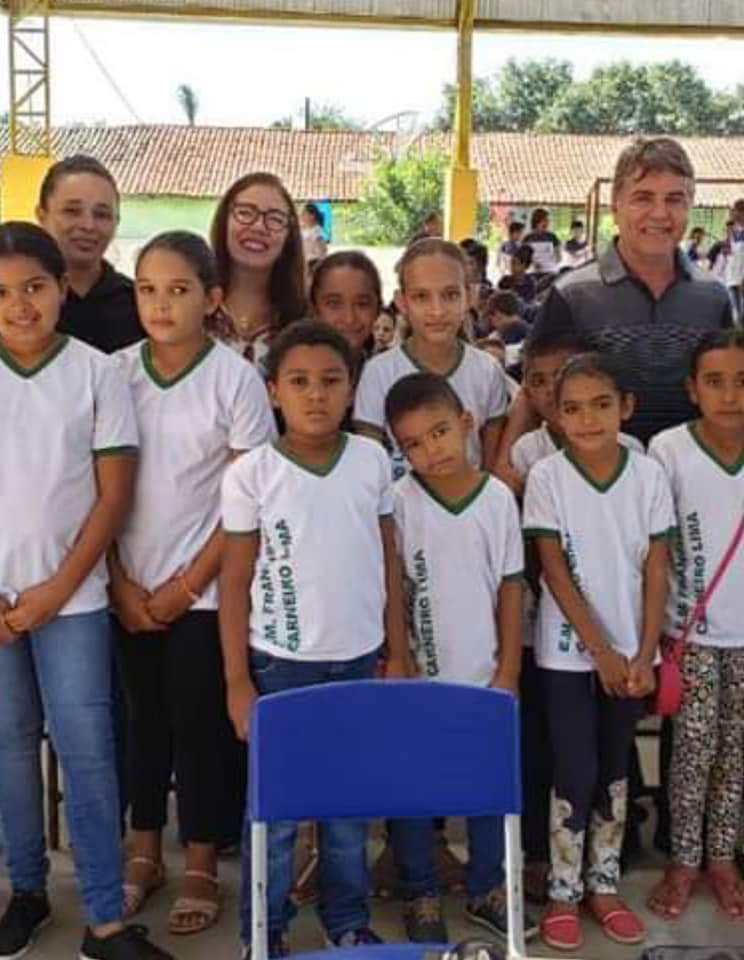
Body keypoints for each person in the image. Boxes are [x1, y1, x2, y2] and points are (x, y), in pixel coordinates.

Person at [0, 221, 171, 960]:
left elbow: (111, 501)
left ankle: (104, 917)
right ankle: (27, 891)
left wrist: (53, 591)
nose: (20, 306)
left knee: (88, 749)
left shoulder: (98, 375)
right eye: (2, 293)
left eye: (35, 287)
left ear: (60, 289)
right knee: (7, 748)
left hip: (71, 600)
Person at [219, 321, 410, 960]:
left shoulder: (372, 461)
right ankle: (262, 932)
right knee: (273, 817)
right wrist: (238, 682)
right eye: (298, 382)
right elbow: (237, 581)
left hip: (357, 661)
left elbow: (387, 558)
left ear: (353, 389)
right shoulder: (252, 474)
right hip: (280, 668)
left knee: (348, 809)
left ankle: (347, 920)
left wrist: (397, 649)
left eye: (331, 381)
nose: (316, 395)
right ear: (273, 391)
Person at [110, 232, 275, 936]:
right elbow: (96, 491)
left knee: (199, 726)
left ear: (210, 300)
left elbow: (247, 505)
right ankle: (143, 848)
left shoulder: (234, 379)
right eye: (148, 288)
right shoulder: (112, 374)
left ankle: (202, 856)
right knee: (140, 724)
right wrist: (117, 579)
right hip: (124, 586)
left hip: (205, 591)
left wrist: (185, 585)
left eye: (178, 290)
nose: (160, 303)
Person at [523, 352, 675, 952]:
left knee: (615, 769)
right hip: (567, 653)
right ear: (555, 418)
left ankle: (603, 884)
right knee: (574, 768)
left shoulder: (648, 475)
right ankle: (563, 889)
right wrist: (601, 651)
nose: (587, 419)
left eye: (601, 405)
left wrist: (642, 651)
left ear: (626, 408)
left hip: (634, 658)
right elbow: (553, 573)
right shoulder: (548, 479)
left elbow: (657, 568)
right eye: (572, 408)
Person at [383, 372, 538, 947]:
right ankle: (420, 888)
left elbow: (510, 587)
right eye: (413, 445)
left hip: (484, 677)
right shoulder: (399, 501)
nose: (431, 451)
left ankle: (485, 886)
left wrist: (508, 673)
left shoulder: (497, 499)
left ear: (467, 423)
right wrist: (399, 656)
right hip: (419, 679)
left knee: (485, 789)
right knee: (415, 790)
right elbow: (394, 589)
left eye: (440, 432)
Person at [647, 329, 744, 921]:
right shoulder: (669, 450)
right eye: (715, 381)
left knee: (736, 753)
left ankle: (722, 858)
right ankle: (683, 858)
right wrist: (657, 633)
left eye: (742, 381)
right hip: (693, 635)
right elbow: (655, 550)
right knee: (691, 752)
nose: (730, 394)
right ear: (691, 389)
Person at [354, 239, 509, 480]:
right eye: (421, 297)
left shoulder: (487, 371)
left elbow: (489, 470)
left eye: (450, 294)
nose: (437, 310)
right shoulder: (378, 373)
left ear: (469, 296)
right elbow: (368, 468)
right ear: (401, 301)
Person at [36, 154, 145, 353]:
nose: (88, 225)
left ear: (116, 222)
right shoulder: (18, 303)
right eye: (72, 211)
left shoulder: (140, 305)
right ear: (42, 216)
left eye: (102, 215)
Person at [206, 171, 306, 370]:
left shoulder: (304, 319)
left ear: (289, 235)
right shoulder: (190, 310)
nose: (259, 227)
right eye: (245, 212)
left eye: (275, 219)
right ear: (224, 221)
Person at [523, 209, 561, 280]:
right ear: (537, 221)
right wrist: (533, 263)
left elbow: (559, 257)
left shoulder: (552, 237)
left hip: (550, 273)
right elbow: (523, 259)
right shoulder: (527, 238)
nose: (547, 222)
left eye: (548, 220)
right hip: (533, 274)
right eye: (545, 220)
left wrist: (550, 261)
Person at [299, 202, 328, 274]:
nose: (301, 216)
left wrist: (318, 266)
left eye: (304, 213)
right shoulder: (304, 229)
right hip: (304, 263)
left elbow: (323, 251)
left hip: (312, 264)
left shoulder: (316, 231)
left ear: (312, 216)